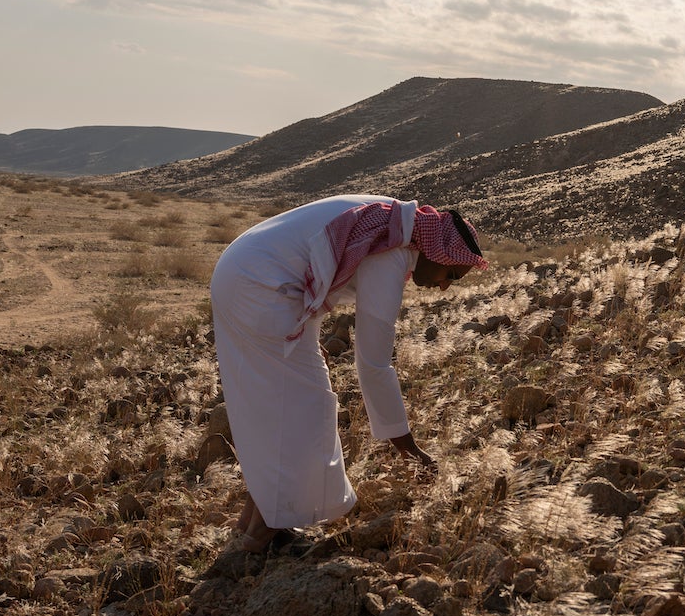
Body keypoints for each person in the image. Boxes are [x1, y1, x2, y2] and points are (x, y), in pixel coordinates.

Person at [209, 195, 488, 551]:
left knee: (286, 409)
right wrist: (410, 450)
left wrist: (308, 328)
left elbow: (319, 263)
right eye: (450, 273)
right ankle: (259, 539)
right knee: (304, 411)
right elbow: (373, 364)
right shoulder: (394, 250)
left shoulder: (396, 226)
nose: (445, 285)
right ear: (436, 251)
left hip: (248, 274)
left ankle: (254, 527)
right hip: (259, 286)